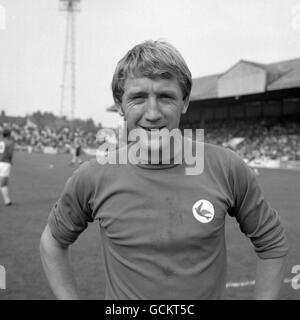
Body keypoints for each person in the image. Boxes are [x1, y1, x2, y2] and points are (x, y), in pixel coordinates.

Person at [40, 40, 288, 300]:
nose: (153, 113)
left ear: (185, 101)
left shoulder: (226, 167)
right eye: (138, 98)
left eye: (166, 97)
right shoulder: (93, 176)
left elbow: (273, 244)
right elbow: (53, 242)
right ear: (119, 104)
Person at [0, 128, 14, 206]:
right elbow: (10, 154)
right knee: (3, 183)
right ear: (9, 134)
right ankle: (7, 201)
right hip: (5, 163)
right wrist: (10, 161)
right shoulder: (10, 143)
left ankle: (7, 200)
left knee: (2, 183)